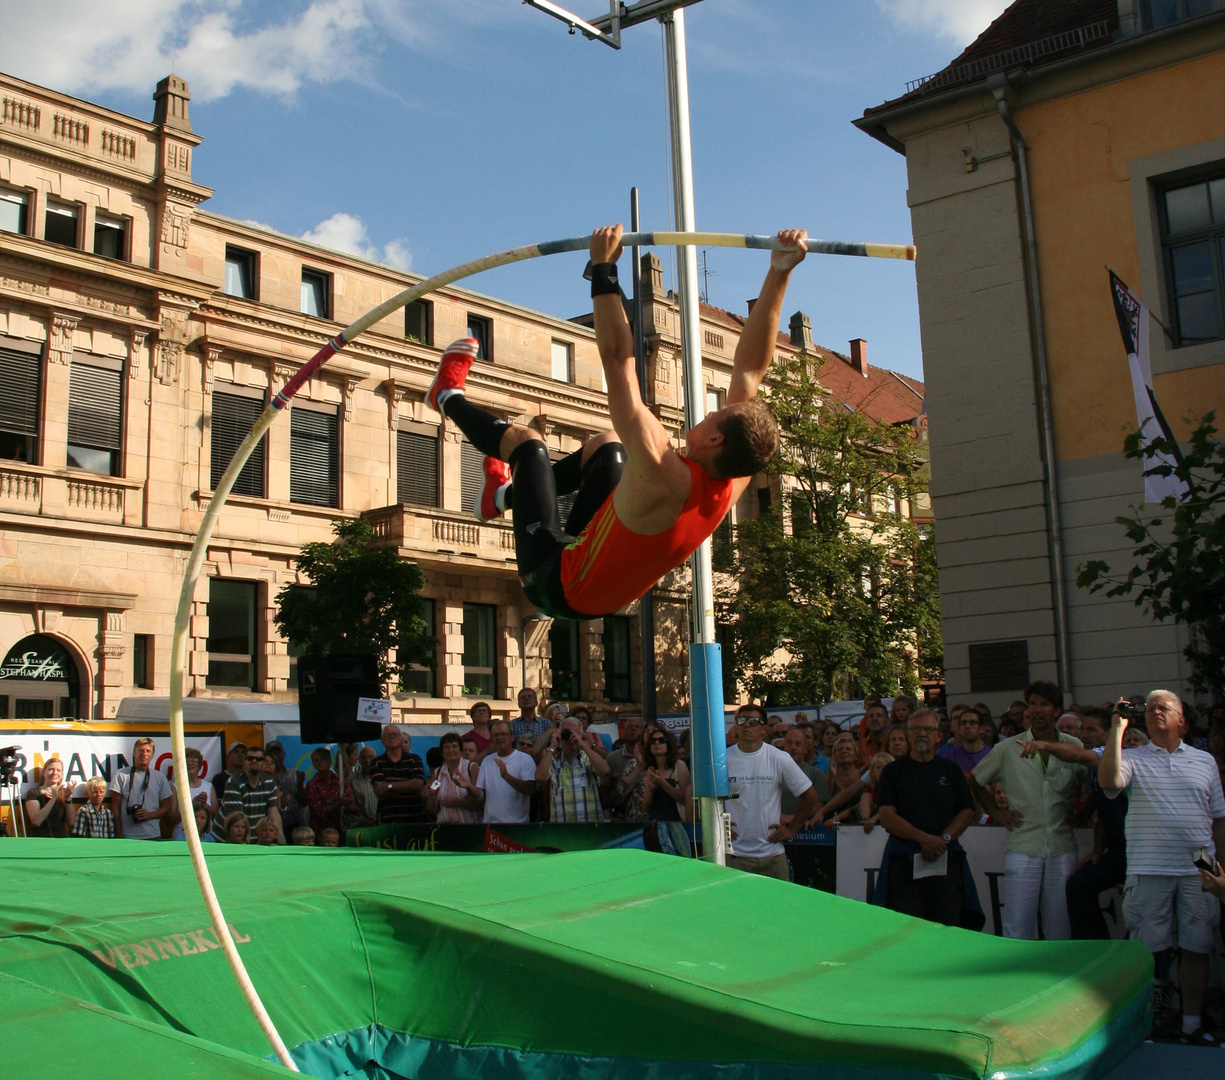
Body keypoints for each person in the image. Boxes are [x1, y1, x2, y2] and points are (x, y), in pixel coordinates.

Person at [425, 225, 805, 621]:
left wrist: (603, 268)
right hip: (594, 581)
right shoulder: (731, 478)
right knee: (609, 447)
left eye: (718, 413)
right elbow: (749, 369)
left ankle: (446, 397)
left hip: (554, 583)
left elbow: (618, 360)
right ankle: (500, 498)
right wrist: (779, 272)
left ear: (714, 436)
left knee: (528, 445)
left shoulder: (661, 468)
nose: (710, 410)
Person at [1100, 690, 1225, 1045]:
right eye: (1150, 707)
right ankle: (1150, 1025)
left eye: (1164, 707)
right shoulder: (1133, 758)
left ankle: (1191, 1025)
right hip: (1148, 864)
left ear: (1182, 720)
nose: (1156, 710)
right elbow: (1109, 782)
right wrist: (1116, 729)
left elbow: (1218, 819)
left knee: (1198, 946)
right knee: (1149, 953)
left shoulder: (1204, 761)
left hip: (1199, 867)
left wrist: (1222, 870)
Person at [968, 682, 1089, 940]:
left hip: (1062, 846)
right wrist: (996, 813)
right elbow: (976, 780)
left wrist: (1084, 813)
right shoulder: (1008, 748)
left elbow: (1095, 784)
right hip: (1024, 844)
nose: (1037, 710)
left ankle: (1056, 975)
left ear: (1056, 711)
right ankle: (1016, 978)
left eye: (1044, 704)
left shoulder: (1073, 745)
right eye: (1032, 703)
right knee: (1017, 925)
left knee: (1059, 925)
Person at [1022, 711, 1126, 941]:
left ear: (1109, 734)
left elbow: (1078, 755)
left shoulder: (1120, 758)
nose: (1084, 734)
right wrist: (1098, 849)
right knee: (1079, 886)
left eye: (1091, 730)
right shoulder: (1094, 768)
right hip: (1119, 853)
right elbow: (1102, 805)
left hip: (1143, 854)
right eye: (1082, 729)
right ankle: (1096, 949)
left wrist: (1045, 745)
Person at [874, 708, 981, 927]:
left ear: (939, 735)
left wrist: (944, 839)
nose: (922, 733)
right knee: (904, 926)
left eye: (929, 729)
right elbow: (886, 815)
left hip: (945, 857)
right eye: (916, 729)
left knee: (947, 924)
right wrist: (923, 839)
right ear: (909, 735)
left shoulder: (951, 771)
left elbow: (966, 811)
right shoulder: (892, 772)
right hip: (904, 860)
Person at [725, 703, 819, 879]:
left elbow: (811, 795)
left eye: (753, 721)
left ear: (763, 729)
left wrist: (792, 829)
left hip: (773, 856)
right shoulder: (723, 759)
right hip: (735, 856)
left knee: (778, 907)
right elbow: (705, 799)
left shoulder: (779, 758)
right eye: (742, 720)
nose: (746, 725)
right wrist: (719, 825)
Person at [537, 718, 612, 823]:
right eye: (566, 733)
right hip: (562, 828)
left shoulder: (589, 759)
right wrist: (552, 746)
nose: (570, 738)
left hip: (590, 826)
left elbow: (605, 771)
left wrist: (583, 745)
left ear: (581, 735)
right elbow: (540, 777)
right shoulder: (553, 760)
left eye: (575, 734)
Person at [469, 720, 536, 824]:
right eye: (496, 735)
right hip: (491, 825)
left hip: (517, 825)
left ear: (512, 737)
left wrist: (507, 776)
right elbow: (481, 795)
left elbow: (530, 790)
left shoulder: (525, 759)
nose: (500, 738)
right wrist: (468, 786)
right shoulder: (487, 761)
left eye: (503, 734)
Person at [109, 737, 174, 840]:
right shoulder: (121, 775)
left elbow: (167, 807)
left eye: (148, 751)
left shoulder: (160, 777)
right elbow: (115, 807)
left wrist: (149, 814)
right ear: (134, 753)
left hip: (152, 835)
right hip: (127, 836)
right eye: (141, 750)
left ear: (152, 754)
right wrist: (119, 832)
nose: (144, 754)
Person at [213, 744, 280, 841]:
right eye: (250, 758)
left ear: (264, 763)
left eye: (259, 759)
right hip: (226, 840)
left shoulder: (270, 782)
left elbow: (273, 814)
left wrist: (282, 844)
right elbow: (237, 822)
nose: (254, 761)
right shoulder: (234, 783)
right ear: (244, 762)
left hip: (253, 838)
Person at [369, 725, 428, 824]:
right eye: (388, 735)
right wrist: (408, 786)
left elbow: (418, 785)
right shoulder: (376, 762)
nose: (391, 737)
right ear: (382, 741)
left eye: (395, 734)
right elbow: (380, 791)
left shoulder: (414, 759)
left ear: (401, 739)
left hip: (415, 819)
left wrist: (389, 786)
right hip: (388, 821)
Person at [427, 732, 482, 824]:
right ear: (442, 753)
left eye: (454, 746)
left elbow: (480, 802)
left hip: (469, 828)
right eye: (446, 747)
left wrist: (459, 802)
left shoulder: (472, 768)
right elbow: (433, 810)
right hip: (444, 828)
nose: (450, 750)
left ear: (461, 751)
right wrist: (432, 798)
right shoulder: (437, 773)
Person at [303, 747, 359, 834]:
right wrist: (339, 803)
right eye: (316, 760)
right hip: (322, 833)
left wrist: (347, 805)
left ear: (329, 760)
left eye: (322, 759)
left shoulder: (341, 781)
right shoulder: (312, 785)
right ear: (313, 763)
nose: (319, 762)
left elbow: (353, 806)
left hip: (344, 829)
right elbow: (318, 813)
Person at [781, 727, 828, 828]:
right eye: (789, 743)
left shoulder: (816, 774)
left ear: (805, 748)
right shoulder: (774, 773)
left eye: (798, 744)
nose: (793, 747)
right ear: (784, 747)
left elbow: (819, 804)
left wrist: (795, 818)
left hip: (805, 828)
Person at [603, 715, 645, 818]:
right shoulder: (612, 758)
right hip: (619, 814)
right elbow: (604, 787)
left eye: (637, 727)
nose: (633, 729)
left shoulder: (651, 758)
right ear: (624, 732)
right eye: (630, 727)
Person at [168, 747, 215, 835]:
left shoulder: (209, 786)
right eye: (186, 761)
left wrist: (205, 805)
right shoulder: (175, 787)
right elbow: (170, 820)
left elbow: (216, 816)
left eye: (194, 760)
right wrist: (191, 805)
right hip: (182, 837)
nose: (190, 764)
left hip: (205, 838)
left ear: (199, 765)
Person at [25, 757, 75, 837]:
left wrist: (68, 798)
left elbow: (71, 822)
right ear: (44, 773)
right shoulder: (34, 793)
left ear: (62, 775)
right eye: (51, 769)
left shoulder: (64, 792)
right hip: (41, 841)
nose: (55, 773)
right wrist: (53, 799)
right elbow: (36, 821)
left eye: (58, 770)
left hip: (61, 841)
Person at [265, 741, 304, 833]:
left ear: (284, 754)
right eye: (272, 752)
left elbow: (304, 803)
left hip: (293, 824)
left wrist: (301, 786)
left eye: (278, 752)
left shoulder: (294, 773)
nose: (276, 755)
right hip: (269, 826)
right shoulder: (261, 777)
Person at [340, 743, 379, 831]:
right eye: (363, 758)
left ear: (376, 758)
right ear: (359, 760)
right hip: (361, 826)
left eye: (370, 757)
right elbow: (349, 809)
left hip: (381, 823)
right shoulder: (352, 780)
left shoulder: (384, 776)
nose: (367, 760)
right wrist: (364, 820)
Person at [938, 708, 990, 776]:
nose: (967, 726)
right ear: (959, 729)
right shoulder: (949, 757)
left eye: (972, 722)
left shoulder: (991, 755)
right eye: (963, 723)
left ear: (981, 729)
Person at [857, 752, 894, 831]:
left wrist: (874, 819)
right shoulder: (873, 789)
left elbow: (893, 807)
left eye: (885, 767)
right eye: (878, 767)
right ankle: (865, 822)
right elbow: (857, 806)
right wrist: (837, 817)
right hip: (873, 822)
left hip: (894, 821)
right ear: (872, 771)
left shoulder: (896, 788)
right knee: (865, 796)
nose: (882, 771)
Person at [856, 703, 891, 768]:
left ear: (887, 721)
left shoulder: (894, 745)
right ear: (866, 722)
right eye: (871, 716)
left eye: (879, 715)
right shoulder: (857, 747)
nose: (875, 718)